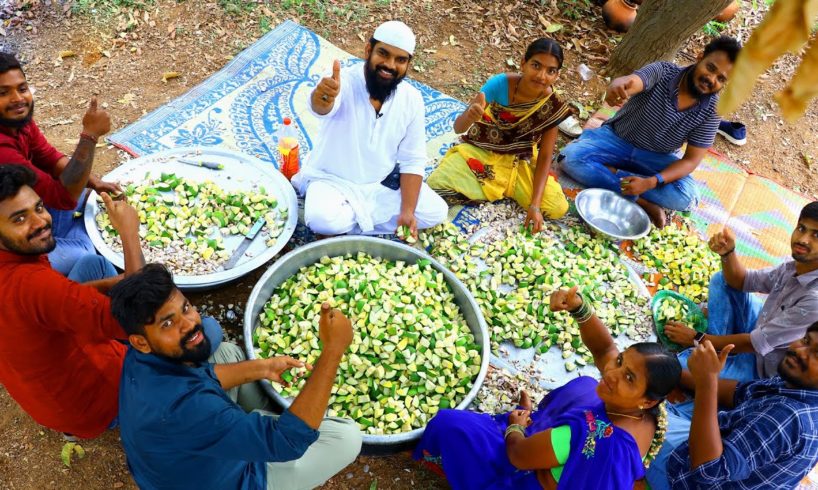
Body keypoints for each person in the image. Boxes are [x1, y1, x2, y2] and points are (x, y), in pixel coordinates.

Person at [110, 264, 362, 490]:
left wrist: (262, 368)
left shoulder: (139, 355)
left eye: (185, 308)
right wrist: (333, 348)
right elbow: (288, 442)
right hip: (234, 480)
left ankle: (258, 423)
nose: (189, 324)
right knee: (347, 437)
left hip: (178, 461)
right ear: (140, 341)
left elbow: (200, 377)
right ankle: (263, 431)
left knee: (226, 353)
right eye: (167, 324)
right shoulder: (189, 409)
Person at [414, 286, 681, 489]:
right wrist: (578, 308)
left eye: (629, 378)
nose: (612, 374)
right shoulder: (651, 412)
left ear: (647, 401)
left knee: (450, 425)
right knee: (587, 386)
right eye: (621, 362)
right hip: (557, 451)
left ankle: (445, 461)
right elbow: (605, 350)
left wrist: (516, 426)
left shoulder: (587, 437)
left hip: (526, 471)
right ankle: (539, 424)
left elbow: (517, 455)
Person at [0, 164, 142, 439]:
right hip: (93, 402)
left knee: (93, 265)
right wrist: (129, 233)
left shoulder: (21, 267)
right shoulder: (34, 285)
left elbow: (43, 304)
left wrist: (115, 282)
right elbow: (143, 316)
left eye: (39, 208)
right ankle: (126, 411)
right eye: (19, 219)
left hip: (44, 393)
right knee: (206, 332)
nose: (41, 222)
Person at [559, 36, 742, 227]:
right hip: (616, 139)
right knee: (569, 157)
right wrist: (618, 85)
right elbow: (632, 81)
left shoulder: (713, 110)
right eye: (710, 68)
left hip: (655, 158)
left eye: (721, 79)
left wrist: (652, 182)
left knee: (688, 196)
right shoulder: (663, 71)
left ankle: (612, 171)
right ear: (700, 57)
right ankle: (640, 201)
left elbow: (690, 161)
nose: (711, 79)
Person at [292, 20, 448, 240]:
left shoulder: (411, 99)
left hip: (379, 185)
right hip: (333, 181)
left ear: (407, 65)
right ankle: (354, 222)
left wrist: (407, 212)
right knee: (321, 218)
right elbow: (322, 108)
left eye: (400, 60)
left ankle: (350, 225)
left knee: (436, 211)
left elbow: (412, 160)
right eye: (383, 54)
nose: (390, 65)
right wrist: (323, 97)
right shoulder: (343, 82)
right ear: (368, 50)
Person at [426, 38, 572, 233]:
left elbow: (545, 155)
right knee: (437, 183)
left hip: (521, 162)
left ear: (557, 75)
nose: (541, 76)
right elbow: (458, 128)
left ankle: (490, 188)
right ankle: (497, 187)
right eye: (536, 65)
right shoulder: (499, 84)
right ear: (523, 63)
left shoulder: (551, 104)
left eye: (550, 71)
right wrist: (470, 116)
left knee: (557, 206)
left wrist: (535, 205)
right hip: (485, 151)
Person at [646, 326, 818, 489]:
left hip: (686, 478)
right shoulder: (797, 385)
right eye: (806, 340)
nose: (800, 352)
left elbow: (706, 470)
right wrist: (670, 373)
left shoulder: (786, 417)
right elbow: (738, 392)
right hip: (716, 446)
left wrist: (707, 381)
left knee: (639, 408)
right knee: (655, 381)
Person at [664, 201, 818, 382]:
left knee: (677, 366)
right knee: (721, 280)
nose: (803, 239)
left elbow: (753, 343)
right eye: (801, 228)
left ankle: (714, 349)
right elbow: (742, 280)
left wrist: (696, 338)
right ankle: (716, 347)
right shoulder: (794, 266)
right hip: (759, 328)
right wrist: (728, 253)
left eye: (816, 235)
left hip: (760, 368)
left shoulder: (814, 301)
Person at [0, 52, 117, 274]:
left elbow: (50, 158)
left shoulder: (17, 120)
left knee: (85, 189)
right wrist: (90, 136)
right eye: (3, 93)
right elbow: (63, 196)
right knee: (86, 254)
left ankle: (66, 234)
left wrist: (92, 181)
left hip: (22, 212)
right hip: (9, 247)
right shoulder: (3, 152)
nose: (17, 99)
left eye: (22, 89)